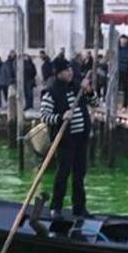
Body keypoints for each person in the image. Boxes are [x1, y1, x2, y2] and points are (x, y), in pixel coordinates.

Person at [40, 54, 95, 218]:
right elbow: (44, 116)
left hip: (81, 139)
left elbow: (95, 103)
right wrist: (61, 117)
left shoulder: (77, 87)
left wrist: (89, 91)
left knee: (79, 174)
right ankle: (56, 208)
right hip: (65, 140)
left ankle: (79, 208)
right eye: (66, 70)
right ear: (58, 74)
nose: (70, 72)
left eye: (70, 69)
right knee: (63, 174)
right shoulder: (50, 92)